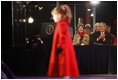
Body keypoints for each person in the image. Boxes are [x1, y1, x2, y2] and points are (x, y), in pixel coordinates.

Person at [48, 5, 79, 78]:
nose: (53, 17)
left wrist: (60, 47)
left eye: (54, 15)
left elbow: (63, 37)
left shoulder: (62, 24)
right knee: (63, 71)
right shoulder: (62, 24)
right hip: (63, 50)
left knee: (64, 70)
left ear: (59, 15)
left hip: (63, 52)